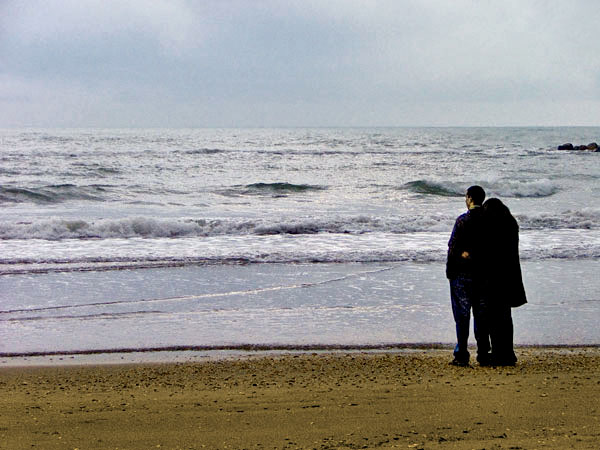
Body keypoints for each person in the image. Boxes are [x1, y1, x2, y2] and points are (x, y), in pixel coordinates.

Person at [446, 185, 490, 367]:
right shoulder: (489, 221)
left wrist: (451, 270)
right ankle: (483, 354)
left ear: (470, 198)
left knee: (462, 316)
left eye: (466, 197)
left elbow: (453, 246)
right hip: (483, 273)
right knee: (481, 316)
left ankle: (462, 354)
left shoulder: (463, 220)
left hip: (462, 274)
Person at [481, 198, 527, 366]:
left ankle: (499, 353)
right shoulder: (510, 225)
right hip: (510, 276)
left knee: (493, 317)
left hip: (494, 278)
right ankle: (507, 353)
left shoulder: (492, 229)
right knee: (505, 318)